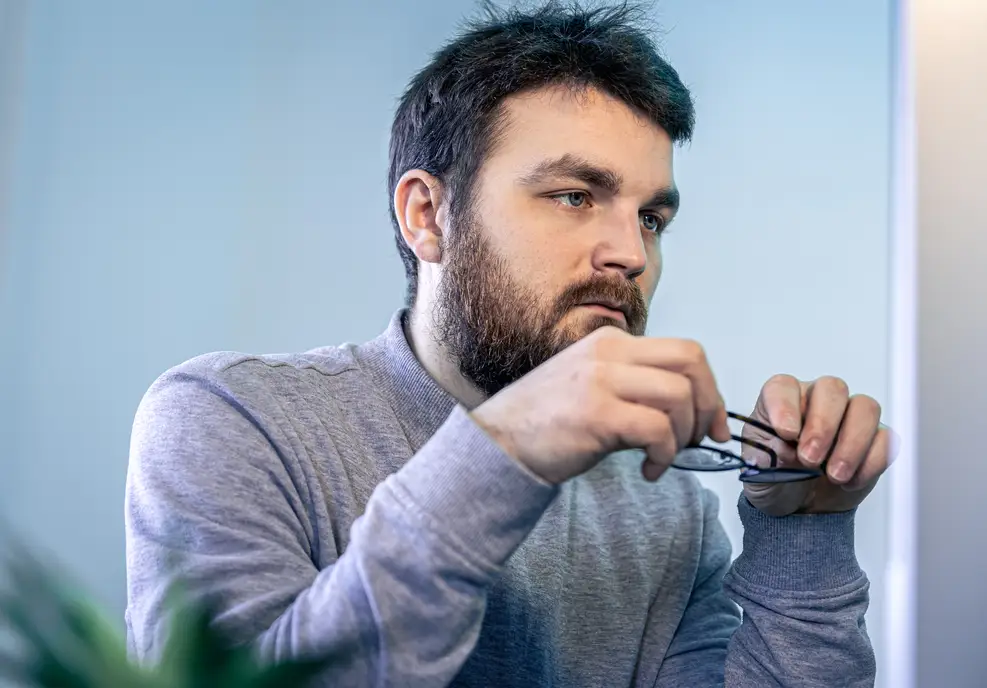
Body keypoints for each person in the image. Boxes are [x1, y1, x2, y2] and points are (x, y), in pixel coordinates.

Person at [124, 3, 894, 686]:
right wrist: (510, 448)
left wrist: (802, 537)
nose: (630, 253)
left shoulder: (666, 512)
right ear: (427, 215)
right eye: (574, 196)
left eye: (652, 218)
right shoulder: (231, 420)